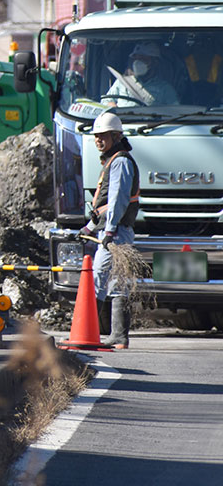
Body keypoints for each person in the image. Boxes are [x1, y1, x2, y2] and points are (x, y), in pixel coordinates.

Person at [80, 111, 138, 350]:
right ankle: (117, 336)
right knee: (115, 282)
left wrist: (110, 231)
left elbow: (117, 200)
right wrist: (88, 227)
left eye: (103, 136)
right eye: (96, 137)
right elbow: (103, 206)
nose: (98, 140)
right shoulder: (113, 161)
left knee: (98, 279)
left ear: (116, 136)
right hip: (112, 231)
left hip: (116, 232)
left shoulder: (121, 161)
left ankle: (88, 333)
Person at [105, 42, 178, 106]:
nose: (137, 63)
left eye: (143, 59)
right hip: (123, 121)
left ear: (155, 62)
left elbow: (175, 111)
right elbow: (106, 101)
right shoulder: (122, 82)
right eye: (135, 59)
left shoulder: (165, 88)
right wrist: (113, 108)